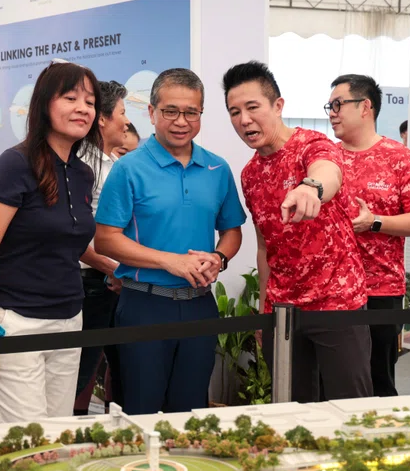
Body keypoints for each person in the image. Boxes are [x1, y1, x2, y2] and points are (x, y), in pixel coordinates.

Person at [95, 68, 246, 414]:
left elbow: (232, 231)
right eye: (170, 111)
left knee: (190, 410)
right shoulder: (128, 169)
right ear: (151, 113)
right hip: (144, 306)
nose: (181, 121)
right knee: (141, 411)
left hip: (200, 306)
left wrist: (218, 258)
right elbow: (105, 240)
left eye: (191, 112)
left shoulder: (217, 169)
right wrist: (170, 261)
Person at [222, 61, 370, 402]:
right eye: (234, 112)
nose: (244, 120)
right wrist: (264, 310)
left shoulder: (312, 145)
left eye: (252, 107)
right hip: (284, 313)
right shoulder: (250, 174)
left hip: (337, 304)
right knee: (292, 409)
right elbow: (264, 247)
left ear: (278, 105)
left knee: (351, 408)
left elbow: (328, 171)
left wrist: (311, 188)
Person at [0, 61, 100, 423]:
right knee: (24, 445)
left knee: (56, 434)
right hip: (15, 323)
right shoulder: (14, 165)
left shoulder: (82, 173)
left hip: (69, 319)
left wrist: (120, 269)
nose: (82, 108)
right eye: (70, 97)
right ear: (44, 104)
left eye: (90, 101)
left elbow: (70, 243)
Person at [328, 74, 410, 398]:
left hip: (381, 290)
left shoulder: (398, 157)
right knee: (331, 382)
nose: (331, 112)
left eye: (337, 104)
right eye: (328, 106)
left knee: (378, 380)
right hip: (332, 291)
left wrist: (374, 222)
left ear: (365, 107)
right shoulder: (325, 159)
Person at [75, 80, 130, 413]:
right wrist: (112, 269)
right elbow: (77, 235)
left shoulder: (110, 164)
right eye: (122, 113)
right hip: (93, 281)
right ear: (102, 119)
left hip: (114, 282)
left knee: (118, 366)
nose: (126, 121)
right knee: (82, 371)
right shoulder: (84, 165)